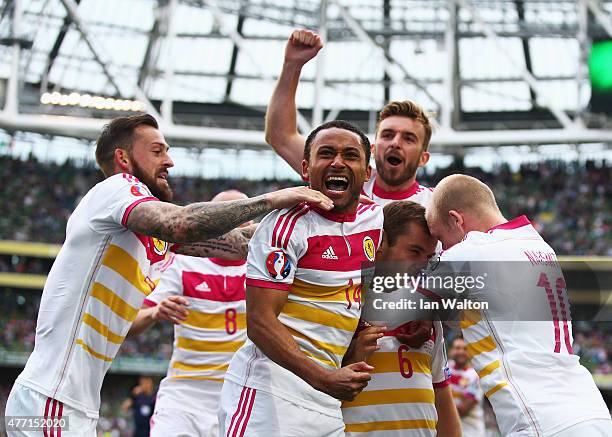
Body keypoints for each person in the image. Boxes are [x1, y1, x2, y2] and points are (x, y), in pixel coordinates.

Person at [4, 114, 333, 436]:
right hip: (52, 401)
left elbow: (245, 243)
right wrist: (274, 199)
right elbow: (182, 223)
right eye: (158, 151)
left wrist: (329, 223)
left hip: (67, 403)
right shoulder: (118, 188)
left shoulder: (143, 234)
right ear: (123, 158)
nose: (170, 161)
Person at [218, 120, 384, 436]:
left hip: (327, 405)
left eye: (350, 155)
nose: (338, 162)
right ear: (306, 168)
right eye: (327, 153)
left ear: (366, 173)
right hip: (270, 398)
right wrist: (324, 377)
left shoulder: (374, 219)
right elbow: (260, 323)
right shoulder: (285, 226)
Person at [425, 174, 612, 436]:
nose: (439, 249)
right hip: (591, 410)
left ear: (457, 221)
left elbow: (389, 302)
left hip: (543, 420)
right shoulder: (537, 245)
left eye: (440, 239)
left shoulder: (474, 252)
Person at [127, 189, 251, 437]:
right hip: (185, 394)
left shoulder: (264, 267)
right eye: (225, 217)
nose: (232, 225)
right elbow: (129, 324)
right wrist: (155, 313)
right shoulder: (182, 262)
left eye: (240, 218)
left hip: (240, 394)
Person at [265, 29, 434, 207]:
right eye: (387, 135)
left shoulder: (434, 205)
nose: (395, 143)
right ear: (373, 149)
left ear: (424, 158)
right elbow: (280, 136)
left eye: (408, 138)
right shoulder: (345, 176)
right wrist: (292, 65)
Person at [342, 201, 461, 437]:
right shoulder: (342, 304)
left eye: (428, 257)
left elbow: (441, 394)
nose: (422, 265)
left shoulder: (426, 315)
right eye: (414, 252)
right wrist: (352, 355)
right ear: (380, 242)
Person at [448, 336, 486, 437]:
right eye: (457, 348)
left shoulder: (475, 376)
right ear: (450, 350)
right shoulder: (445, 368)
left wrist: (439, 405)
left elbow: (464, 409)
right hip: (450, 430)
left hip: (471, 431)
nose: (461, 352)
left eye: (465, 349)